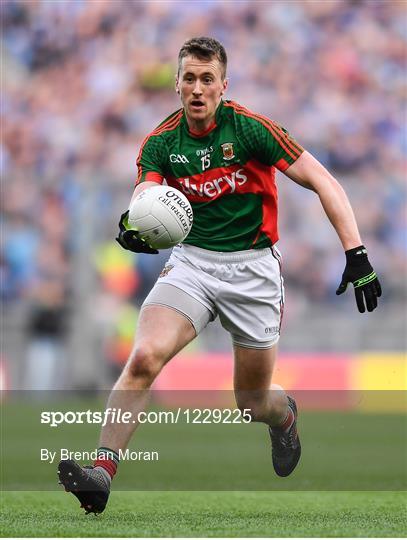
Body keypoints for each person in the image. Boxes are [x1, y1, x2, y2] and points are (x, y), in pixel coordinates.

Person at [58, 37, 381, 514]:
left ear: (223, 86)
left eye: (207, 79)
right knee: (145, 356)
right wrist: (134, 228)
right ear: (177, 84)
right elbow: (145, 201)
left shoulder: (251, 129)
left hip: (253, 270)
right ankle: (101, 475)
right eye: (189, 78)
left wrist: (357, 254)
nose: (197, 88)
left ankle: (285, 418)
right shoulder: (161, 143)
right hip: (192, 265)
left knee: (250, 402)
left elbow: (322, 180)